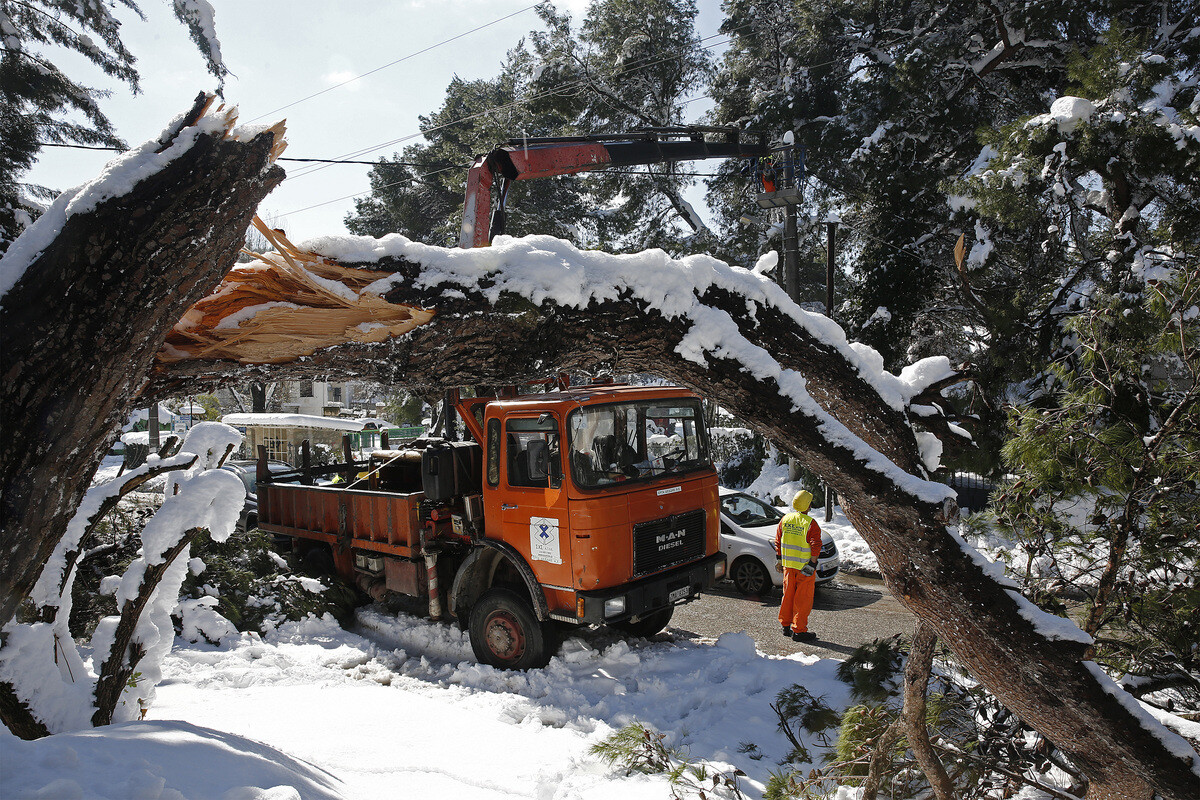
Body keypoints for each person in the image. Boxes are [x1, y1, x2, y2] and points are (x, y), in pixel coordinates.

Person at [774, 490, 822, 643]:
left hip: (788, 567)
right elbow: (816, 546)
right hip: (804, 568)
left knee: (787, 596)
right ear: (808, 506)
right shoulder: (810, 524)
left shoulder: (785, 519)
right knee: (802, 600)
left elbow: (778, 541)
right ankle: (799, 631)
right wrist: (812, 564)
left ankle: (786, 626)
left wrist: (780, 561)